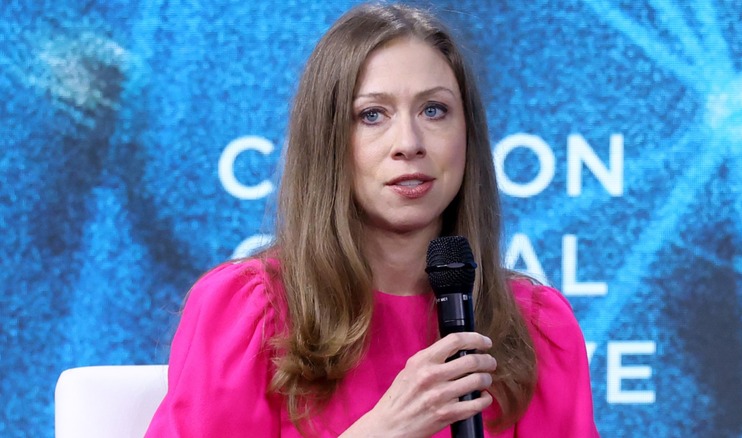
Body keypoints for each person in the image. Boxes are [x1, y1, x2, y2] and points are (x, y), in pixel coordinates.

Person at [146, 2, 598, 437]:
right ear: (328, 141)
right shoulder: (247, 312)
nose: (409, 142)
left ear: (468, 135)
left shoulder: (537, 327)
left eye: (434, 110)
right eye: (372, 115)